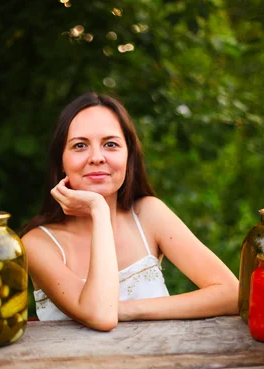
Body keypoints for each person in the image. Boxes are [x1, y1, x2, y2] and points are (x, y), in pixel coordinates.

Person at [21, 92, 238, 331]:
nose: (96, 157)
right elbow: (101, 316)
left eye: (110, 144)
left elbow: (232, 294)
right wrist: (99, 210)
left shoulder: (149, 215)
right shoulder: (37, 244)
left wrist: (127, 310)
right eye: (80, 145)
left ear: (129, 156)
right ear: (61, 160)